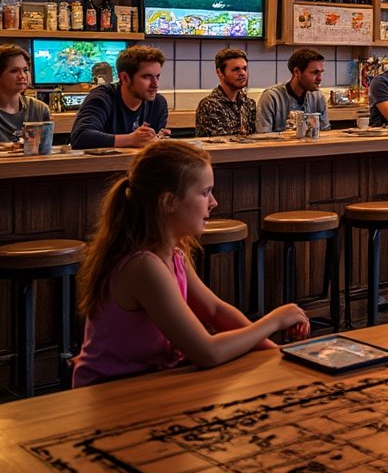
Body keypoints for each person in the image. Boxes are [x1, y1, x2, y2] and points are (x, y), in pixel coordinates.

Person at [73, 141, 310, 386]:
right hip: (110, 394)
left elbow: (216, 312)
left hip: (153, 381)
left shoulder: (173, 254)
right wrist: (274, 321)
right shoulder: (143, 266)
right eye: (205, 192)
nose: (214, 202)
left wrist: (272, 352)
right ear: (168, 202)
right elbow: (206, 352)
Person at [70, 45, 169, 149]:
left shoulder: (158, 104)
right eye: (146, 77)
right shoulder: (102, 98)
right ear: (125, 78)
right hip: (99, 165)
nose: (155, 84)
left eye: (157, 76)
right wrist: (131, 139)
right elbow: (80, 137)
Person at [256, 48, 329, 133]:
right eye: (315, 73)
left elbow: (325, 132)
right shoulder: (272, 98)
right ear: (297, 72)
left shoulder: (317, 97)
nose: (320, 78)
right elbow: (263, 136)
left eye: (321, 73)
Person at [194, 48, 256, 137]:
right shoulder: (209, 106)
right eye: (235, 69)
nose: (243, 73)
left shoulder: (249, 104)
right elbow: (221, 144)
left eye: (244, 68)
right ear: (220, 73)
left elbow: (254, 139)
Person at [0, 44, 50, 144]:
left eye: (25, 70)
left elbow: (45, 152)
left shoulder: (39, 109)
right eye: (14, 71)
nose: (22, 76)